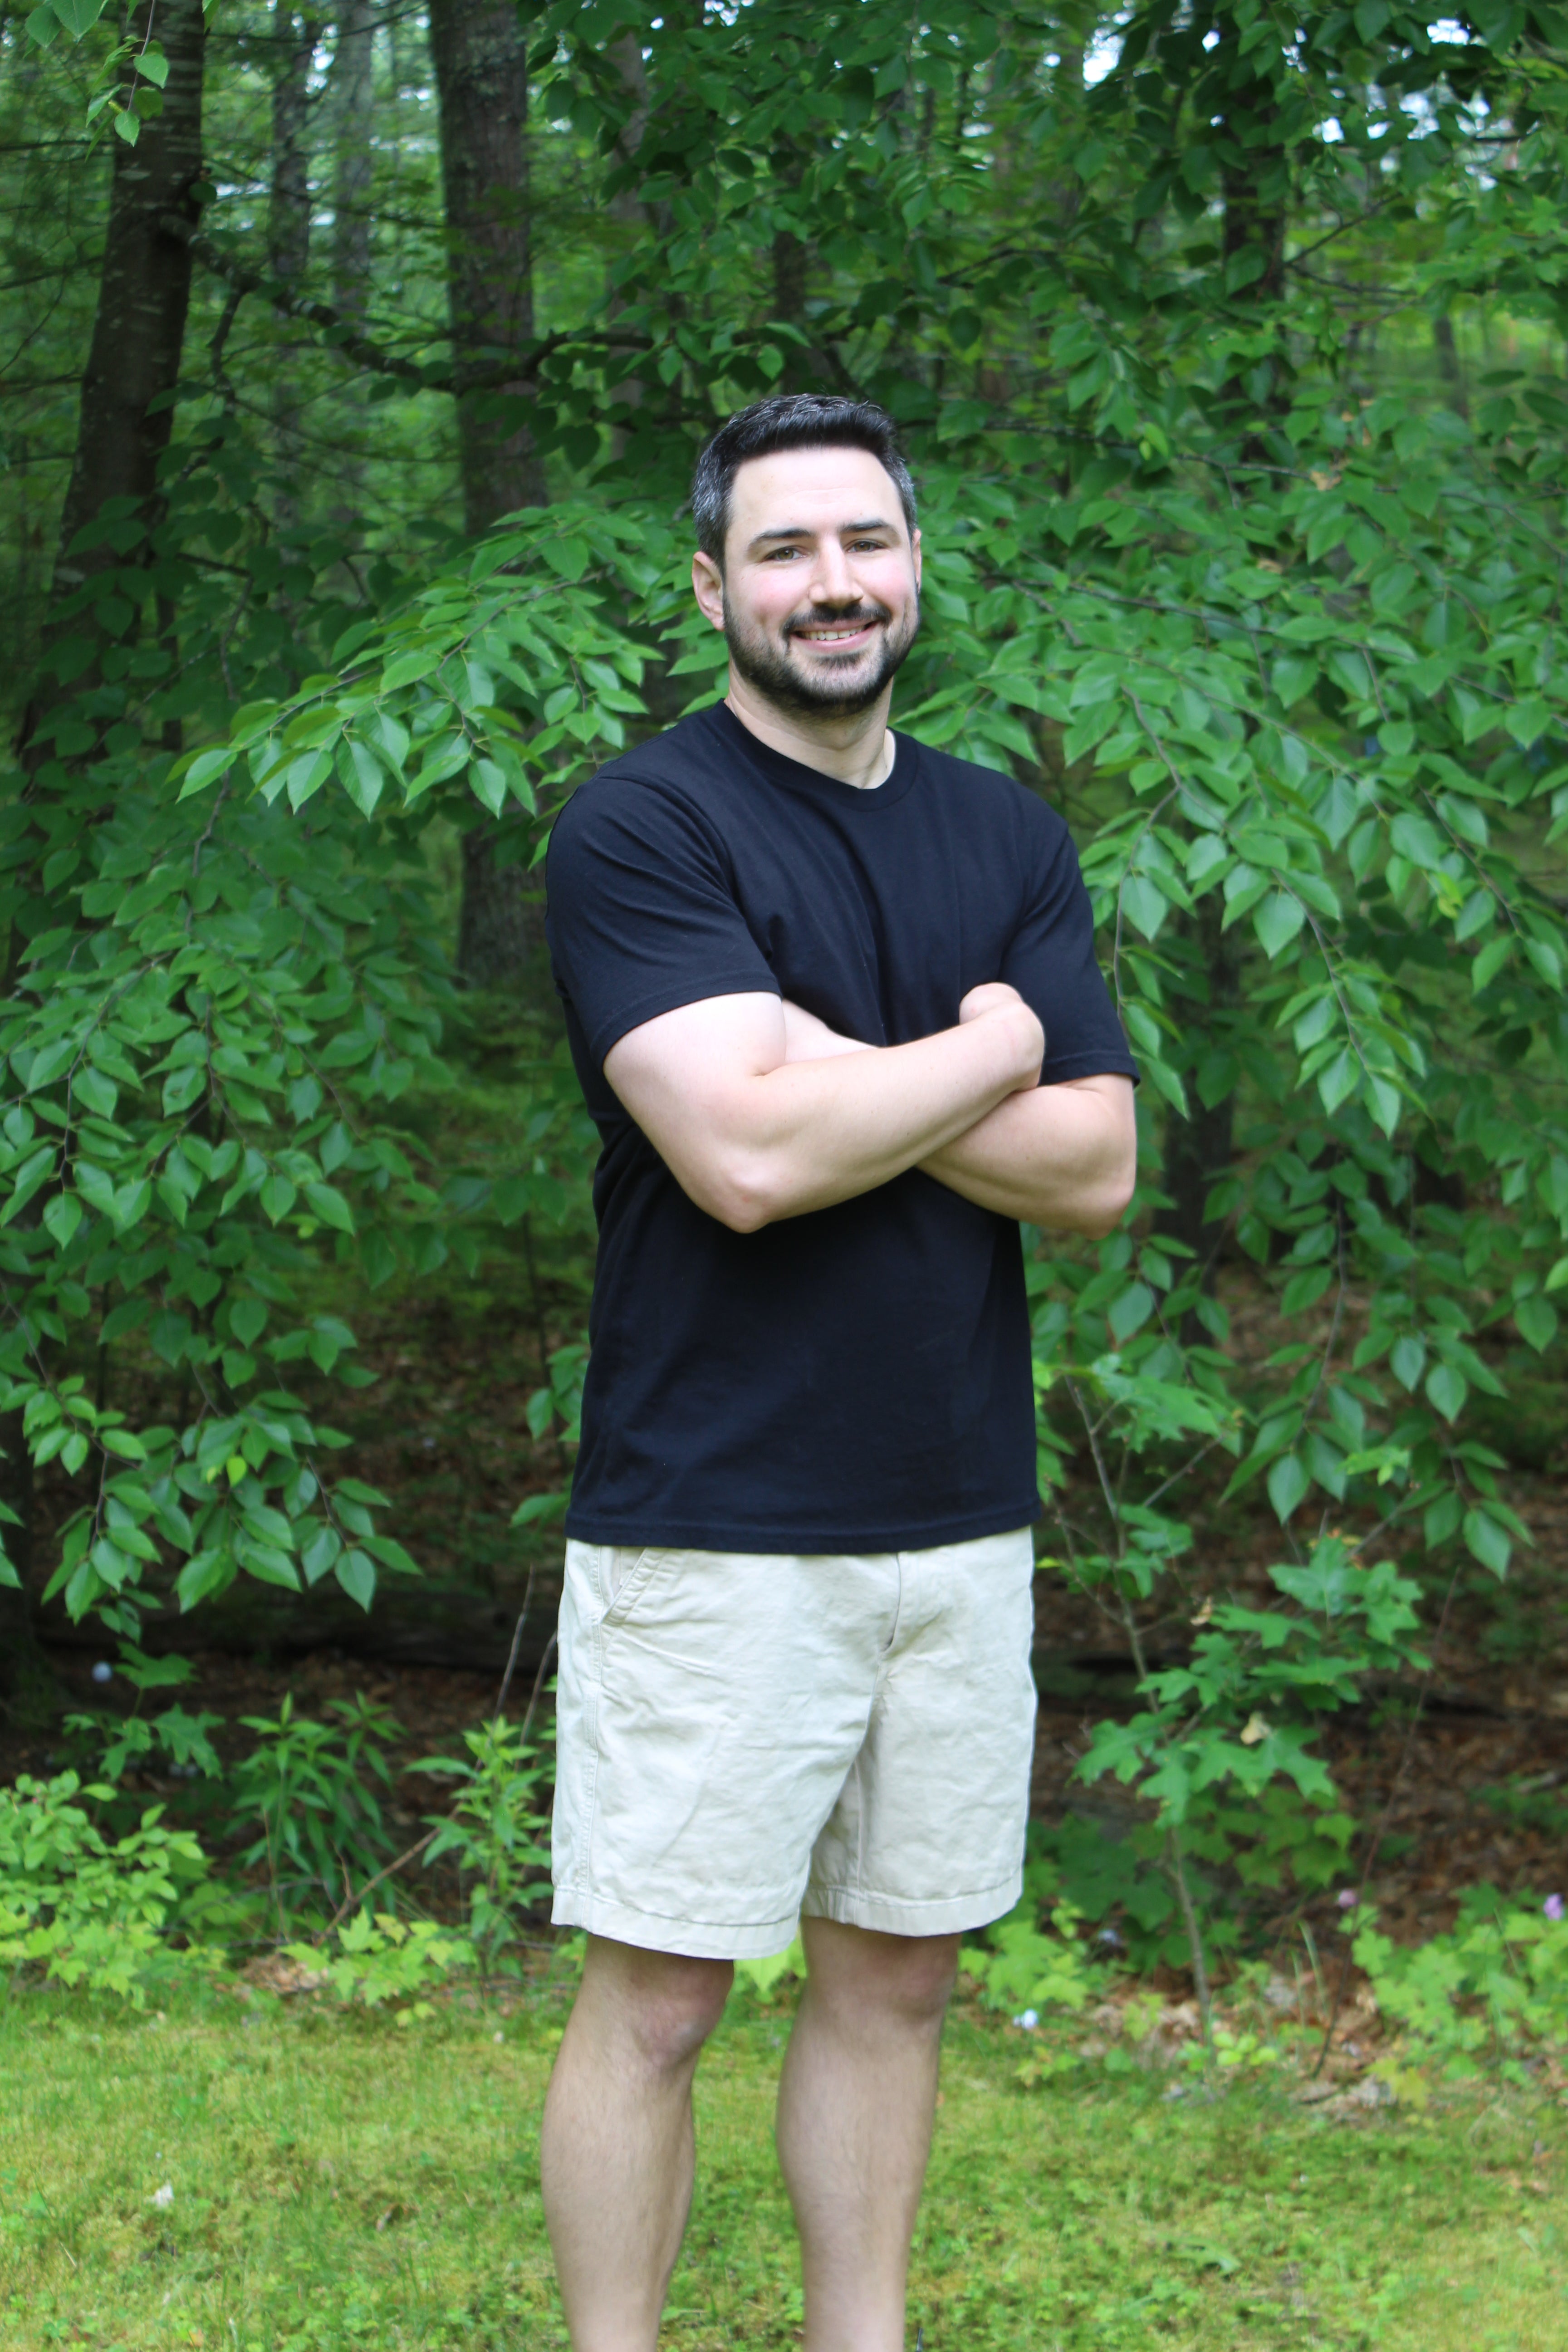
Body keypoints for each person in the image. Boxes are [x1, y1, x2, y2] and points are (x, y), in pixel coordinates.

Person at [539, 392, 1138, 2352]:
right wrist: (981, 1049)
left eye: (864, 542)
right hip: (718, 1517)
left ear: (914, 565)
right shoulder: (646, 826)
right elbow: (746, 1160)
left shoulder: (1005, 831)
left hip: (956, 1516)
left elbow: (1100, 1168)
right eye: (784, 550)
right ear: (712, 586)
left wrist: (825, 1057)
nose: (833, 584)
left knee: (897, 1979)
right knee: (664, 1997)